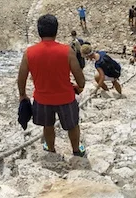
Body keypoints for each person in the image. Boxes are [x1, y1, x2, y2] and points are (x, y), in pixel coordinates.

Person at [18, 15, 86, 156]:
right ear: (56, 30)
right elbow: (80, 78)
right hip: (66, 98)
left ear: (39, 31)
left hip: (42, 99)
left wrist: (22, 95)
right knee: (73, 125)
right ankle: (76, 150)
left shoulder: (29, 52)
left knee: (47, 126)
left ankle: (50, 148)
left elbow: (21, 77)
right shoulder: (67, 51)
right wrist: (79, 86)